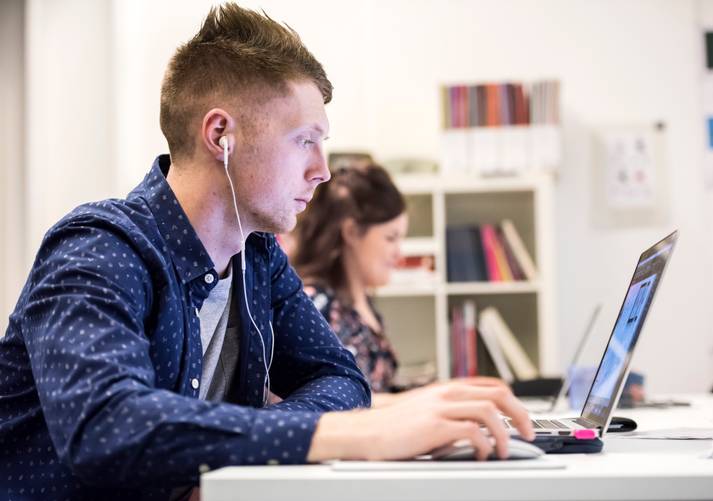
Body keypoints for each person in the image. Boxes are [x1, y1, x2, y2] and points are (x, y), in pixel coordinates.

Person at [0, 4, 533, 499]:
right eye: (305, 140)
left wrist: (249, 460)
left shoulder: (257, 260)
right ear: (220, 135)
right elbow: (107, 426)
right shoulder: (99, 249)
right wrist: (349, 435)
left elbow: (339, 379)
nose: (322, 170)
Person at [291, 163, 511, 407]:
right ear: (352, 232)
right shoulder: (313, 306)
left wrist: (447, 390)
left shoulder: (363, 303)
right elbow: (326, 403)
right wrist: (435, 397)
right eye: (391, 238)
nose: (399, 254)